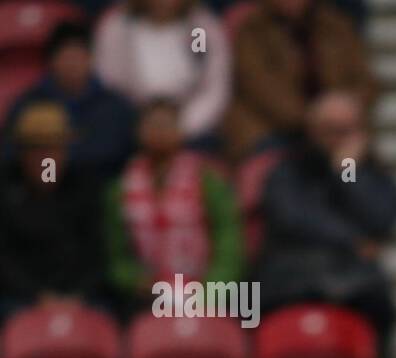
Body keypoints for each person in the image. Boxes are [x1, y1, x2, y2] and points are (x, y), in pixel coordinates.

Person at [256, 90, 396, 355]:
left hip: (354, 281)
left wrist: (346, 171)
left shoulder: (372, 173)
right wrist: (352, 240)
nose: (336, 139)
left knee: (381, 309)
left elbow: (381, 218)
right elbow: (293, 217)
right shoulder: (287, 169)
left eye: (345, 131)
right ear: (311, 129)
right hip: (291, 277)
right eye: (329, 129)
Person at [103, 99, 242, 314]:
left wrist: (209, 291)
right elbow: (116, 256)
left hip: (205, 291)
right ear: (138, 132)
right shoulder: (119, 189)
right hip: (147, 296)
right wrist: (135, 281)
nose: (159, 132)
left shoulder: (208, 182)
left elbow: (229, 244)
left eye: (166, 125)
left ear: (181, 132)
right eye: (152, 125)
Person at [222, 0, 377, 159]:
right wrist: (315, 116)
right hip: (274, 133)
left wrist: (347, 106)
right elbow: (257, 86)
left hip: (337, 129)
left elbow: (364, 80)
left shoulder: (335, 25)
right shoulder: (251, 28)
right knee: (292, 175)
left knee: (354, 171)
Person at [0, 102, 105, 316]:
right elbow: (4, 258)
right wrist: (38, 296)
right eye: (36, 148)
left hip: (80, 297)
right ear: (22, 152)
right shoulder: (6, 189)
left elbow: (97, 253)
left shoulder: (85, 187)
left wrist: (77, 295)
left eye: (52, 148)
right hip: (19, 298)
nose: (45, 158)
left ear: (65, 150)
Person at [1, 21, 136, 178]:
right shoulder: (29, 105)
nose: (72, 64)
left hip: (99, 191)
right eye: (66, 56)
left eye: (78, 56)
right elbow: (10, 156)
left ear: (91, 59)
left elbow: (127, 161)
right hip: (44, 192)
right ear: (52, 61)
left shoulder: (115, 108)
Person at [93, 0, 231, 145]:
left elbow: (212, 85)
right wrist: (143, 124)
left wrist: (182, 126)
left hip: (192, 131)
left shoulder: (199, 30)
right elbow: (109, 83)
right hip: (130, 128)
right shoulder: (119, 26)